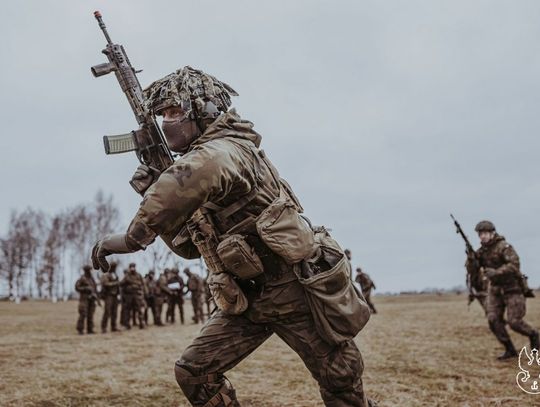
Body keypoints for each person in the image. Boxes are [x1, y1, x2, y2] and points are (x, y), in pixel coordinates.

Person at [92, 66, 373, 406]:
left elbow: (193, 174)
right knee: (194, 371)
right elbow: (188, 247)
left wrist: (129, 239)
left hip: (293, 292)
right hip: (245, 299)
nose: (167, 122)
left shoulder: (229, 149)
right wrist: (153, 186)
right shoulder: (202, 165)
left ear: (204, 110)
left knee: (340, 379)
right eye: (162, 114)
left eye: (175, 111)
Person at [466, 220, 539, 360]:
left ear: (492, 233)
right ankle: (510, 350)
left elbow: (514, 265)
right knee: (493, 319)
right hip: (495, 289)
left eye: (485, 233)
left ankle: (534, 335)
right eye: (480, 234)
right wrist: (471, 259)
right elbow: (473, 271)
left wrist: (496, 272)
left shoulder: (504, 247)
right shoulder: (481, 252)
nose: (483, 236)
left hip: (513, 288)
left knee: (515, 322)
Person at [119, 263, 146, 330]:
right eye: (131, 267)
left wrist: (141, 291)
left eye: (133, 267)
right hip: (129, 295)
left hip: (136, 294)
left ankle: (141, 324)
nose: (132, 268)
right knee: (128, 310)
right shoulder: (127, 276)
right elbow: (121, 283)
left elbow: (142, 284)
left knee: (139, 310)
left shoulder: (138, 275)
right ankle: (127, 325)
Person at [75, 265, 98, 335]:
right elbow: (77, 287)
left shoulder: (92, 279)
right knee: (83, 314)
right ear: (87, 271)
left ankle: (90, 329)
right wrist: (85, 289)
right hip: (84, 299)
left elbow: (94, 288)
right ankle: (80, 330)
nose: (92, 271)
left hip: (91, 299)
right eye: (91, 270)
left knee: (90, 314)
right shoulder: (82, 279)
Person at [100, 261, 120, 333]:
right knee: (107, 312)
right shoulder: (106, 275)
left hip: (115, 296)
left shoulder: (115, 274)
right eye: (113, 267)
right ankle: (104, 327)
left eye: (115, 267)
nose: (114, 268)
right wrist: (115, 283)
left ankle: (113, 326)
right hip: (108, 296)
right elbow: (105, 284)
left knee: (114, 312)